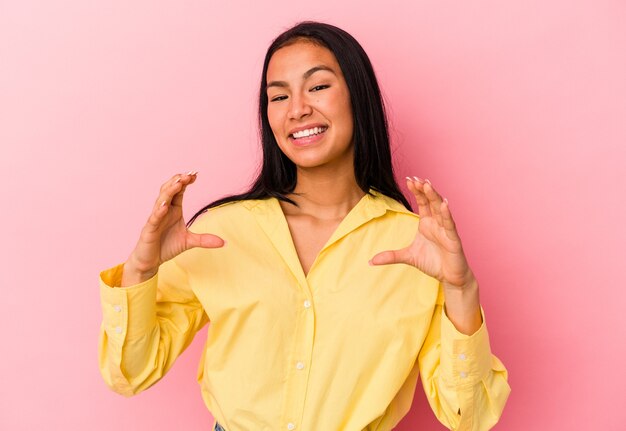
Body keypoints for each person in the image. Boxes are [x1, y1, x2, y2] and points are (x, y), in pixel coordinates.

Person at [98, 21, 510, 431]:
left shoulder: (417, 245)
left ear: (358, 97)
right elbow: (130, 373)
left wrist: (460, 290)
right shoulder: (220, 232)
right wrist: (141, 270)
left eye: (318, 87)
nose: (297, 109)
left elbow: (468, 416)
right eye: (278, 95)